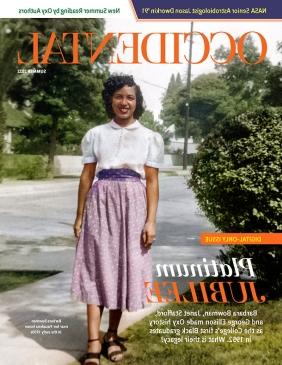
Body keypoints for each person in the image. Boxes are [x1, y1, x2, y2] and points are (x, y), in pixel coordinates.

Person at [71, 74, 164, 365]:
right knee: (96, 268)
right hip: (100, 204)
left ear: (137, 102)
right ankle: (93, 342)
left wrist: (150, 221)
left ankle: (112, 334)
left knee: (123, 267)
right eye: (119, 96)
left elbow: (151, 182)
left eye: (130, 97)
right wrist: (79, 215)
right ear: (110, 100)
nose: (125, 102)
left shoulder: (150, 137)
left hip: (133, 205)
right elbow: (86, 176)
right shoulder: (96, 133)